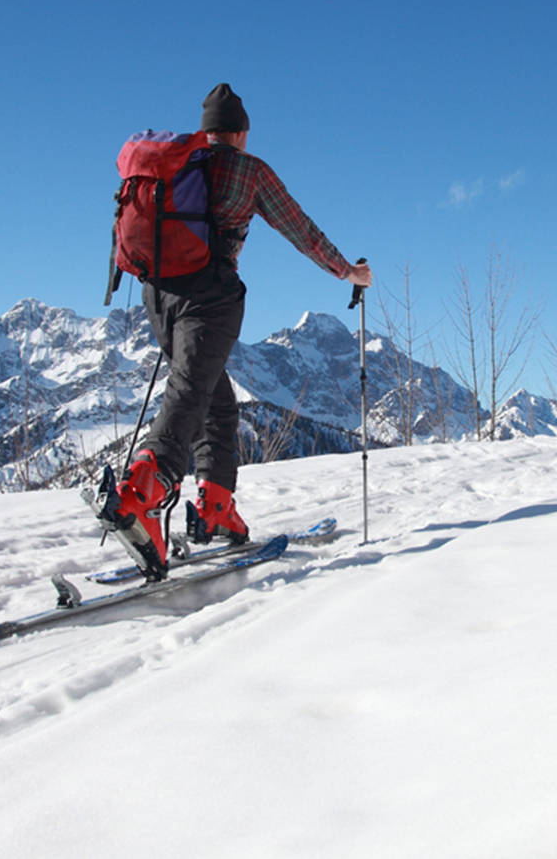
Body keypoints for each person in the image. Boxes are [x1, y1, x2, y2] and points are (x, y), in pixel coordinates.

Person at [102, 84, 372, 579]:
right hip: (211, 295)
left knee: (213, 398)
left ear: (206, 128)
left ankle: (215, 506)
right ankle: (142, 492)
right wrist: (348, 273)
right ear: (242, 132)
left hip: (157, 294)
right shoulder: (248, 169)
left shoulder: (179, 163)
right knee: (189, 393)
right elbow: (301, 230)